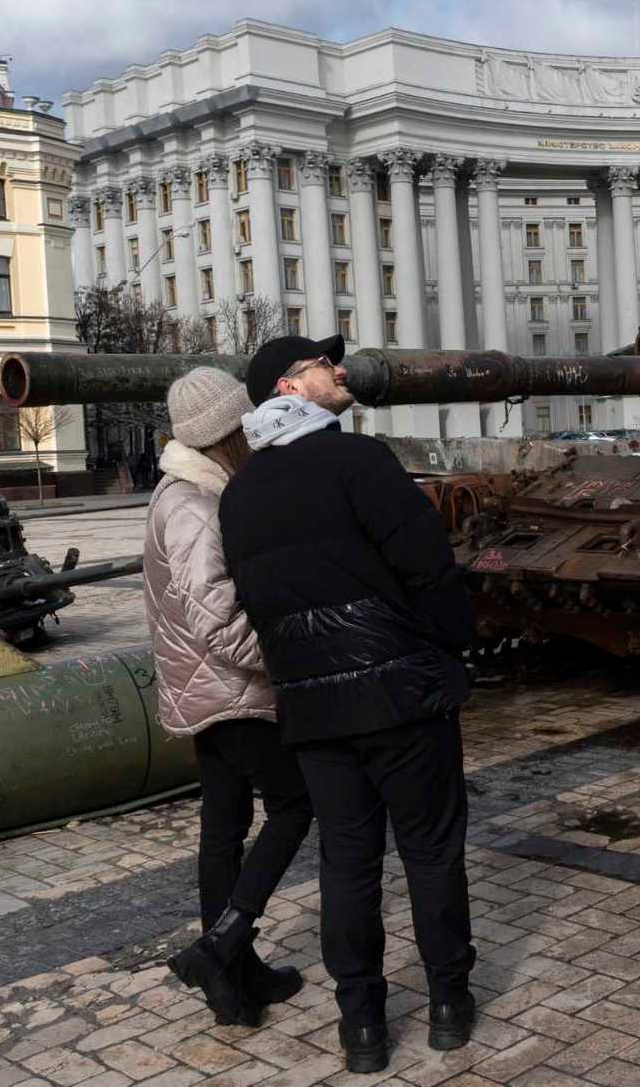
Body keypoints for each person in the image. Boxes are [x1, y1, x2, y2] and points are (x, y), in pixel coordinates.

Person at [220, 335, 477, 1075]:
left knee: (348, 864)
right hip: (400, 696)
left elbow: (259, 605)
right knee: (430, 852)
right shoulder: (361, 461)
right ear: (288, 388)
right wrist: (450, 649)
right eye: (321, 365)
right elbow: (429, 567)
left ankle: (362, 1026)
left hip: (313, 711)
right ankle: (449, 1006)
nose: (340, 370)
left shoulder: (241, 494)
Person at [147, 366, 313, 1028]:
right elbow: (214, 616)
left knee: (223, 830)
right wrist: (281, 660)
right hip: (233, 689)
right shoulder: (190, 504)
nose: (254, 433)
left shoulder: (192, 491)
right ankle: (223, 948)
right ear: (222, 434)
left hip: (205, 688)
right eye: (242, 423)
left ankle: (232, 979)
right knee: (294, 808)